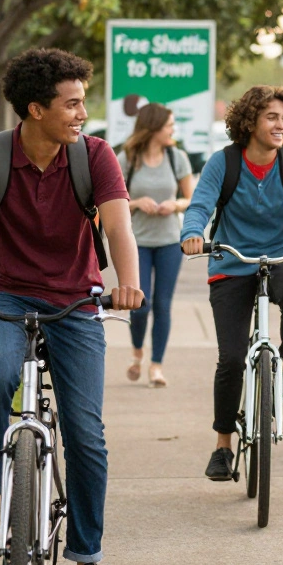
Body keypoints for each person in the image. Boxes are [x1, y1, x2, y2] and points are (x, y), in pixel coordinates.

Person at [0, 48, 144, 565]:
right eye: (72, 104)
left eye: (83, 103)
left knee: (85, 431)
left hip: (77, 298)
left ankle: (87, 553)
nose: (82, 113)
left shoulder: (95, 157)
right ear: (36, 110)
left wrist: (127, 285)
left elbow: (118, 229)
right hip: (6, 294)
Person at [180, 85, 283, 482]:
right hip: (231, 262)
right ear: (250, 121)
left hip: (278, 255)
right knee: (232, 358)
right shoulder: (225, 163)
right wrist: (192, 232)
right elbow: (201, 204)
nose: (281, 125)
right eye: (272, 117)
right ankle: (223, 446)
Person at [117, 102, 195, 388]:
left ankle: (156, 366)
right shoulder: (127, 158)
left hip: (169, 243)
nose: (173, 130)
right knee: (140, 305)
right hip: (136, 242)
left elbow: (191, 198)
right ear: (153, 128)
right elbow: (113, 200)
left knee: (162, 304)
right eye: (169, 125)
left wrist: (175, 205)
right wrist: (136, 203)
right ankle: (137, 353)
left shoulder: (177, 158)